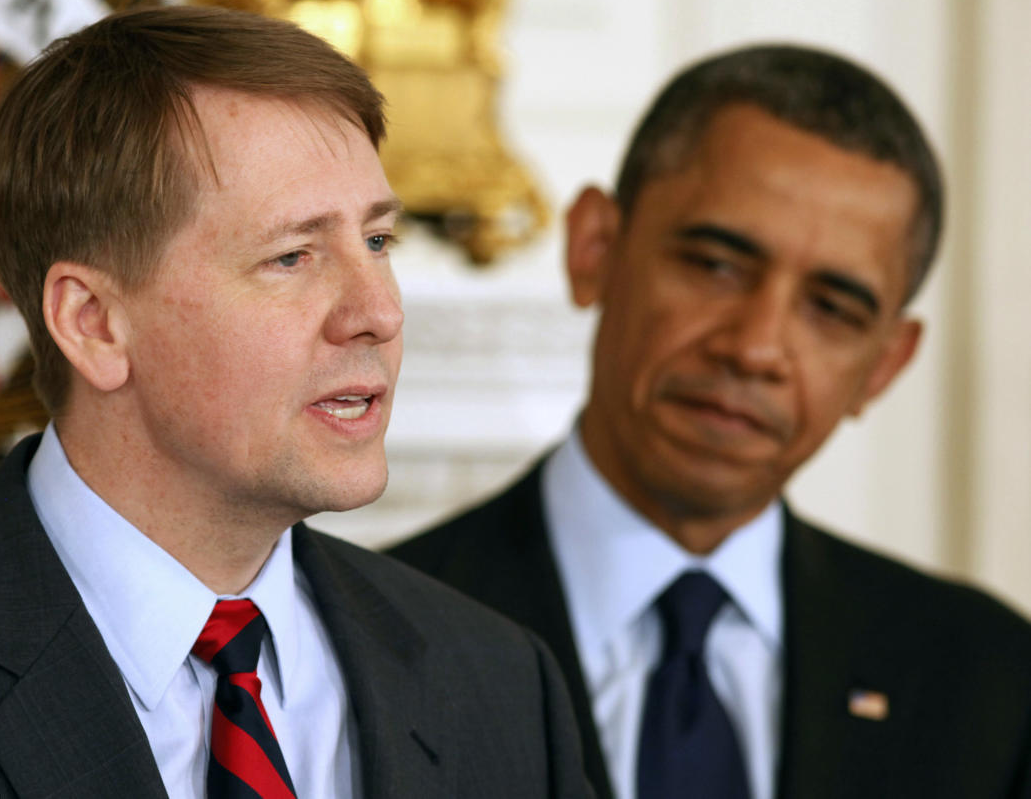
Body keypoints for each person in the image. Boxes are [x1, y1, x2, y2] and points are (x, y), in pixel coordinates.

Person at [0, 6, 593, 799]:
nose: (378, 312)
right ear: (93, 323)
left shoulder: (499, 683)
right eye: (292, 256)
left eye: (378, 240)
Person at [391, 44, 1031, 799]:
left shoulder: (989, 680)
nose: (756, 347)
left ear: (885, 364)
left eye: (831, 308)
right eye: (715, 265)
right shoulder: (374, 634)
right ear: (594, 248)